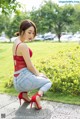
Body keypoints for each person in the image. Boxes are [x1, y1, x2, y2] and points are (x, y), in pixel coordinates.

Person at [12, 19, 52, 110]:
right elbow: (30, 66)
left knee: (31, 76)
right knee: (48, 82)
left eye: (33, 33)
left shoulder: (16, 41)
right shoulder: (23, 46)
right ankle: (37, 97)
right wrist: (39, 74)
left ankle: (24, 95)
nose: (31, 35)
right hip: (23, 80)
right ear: (22, 31)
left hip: (16, 79)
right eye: (29, 32)